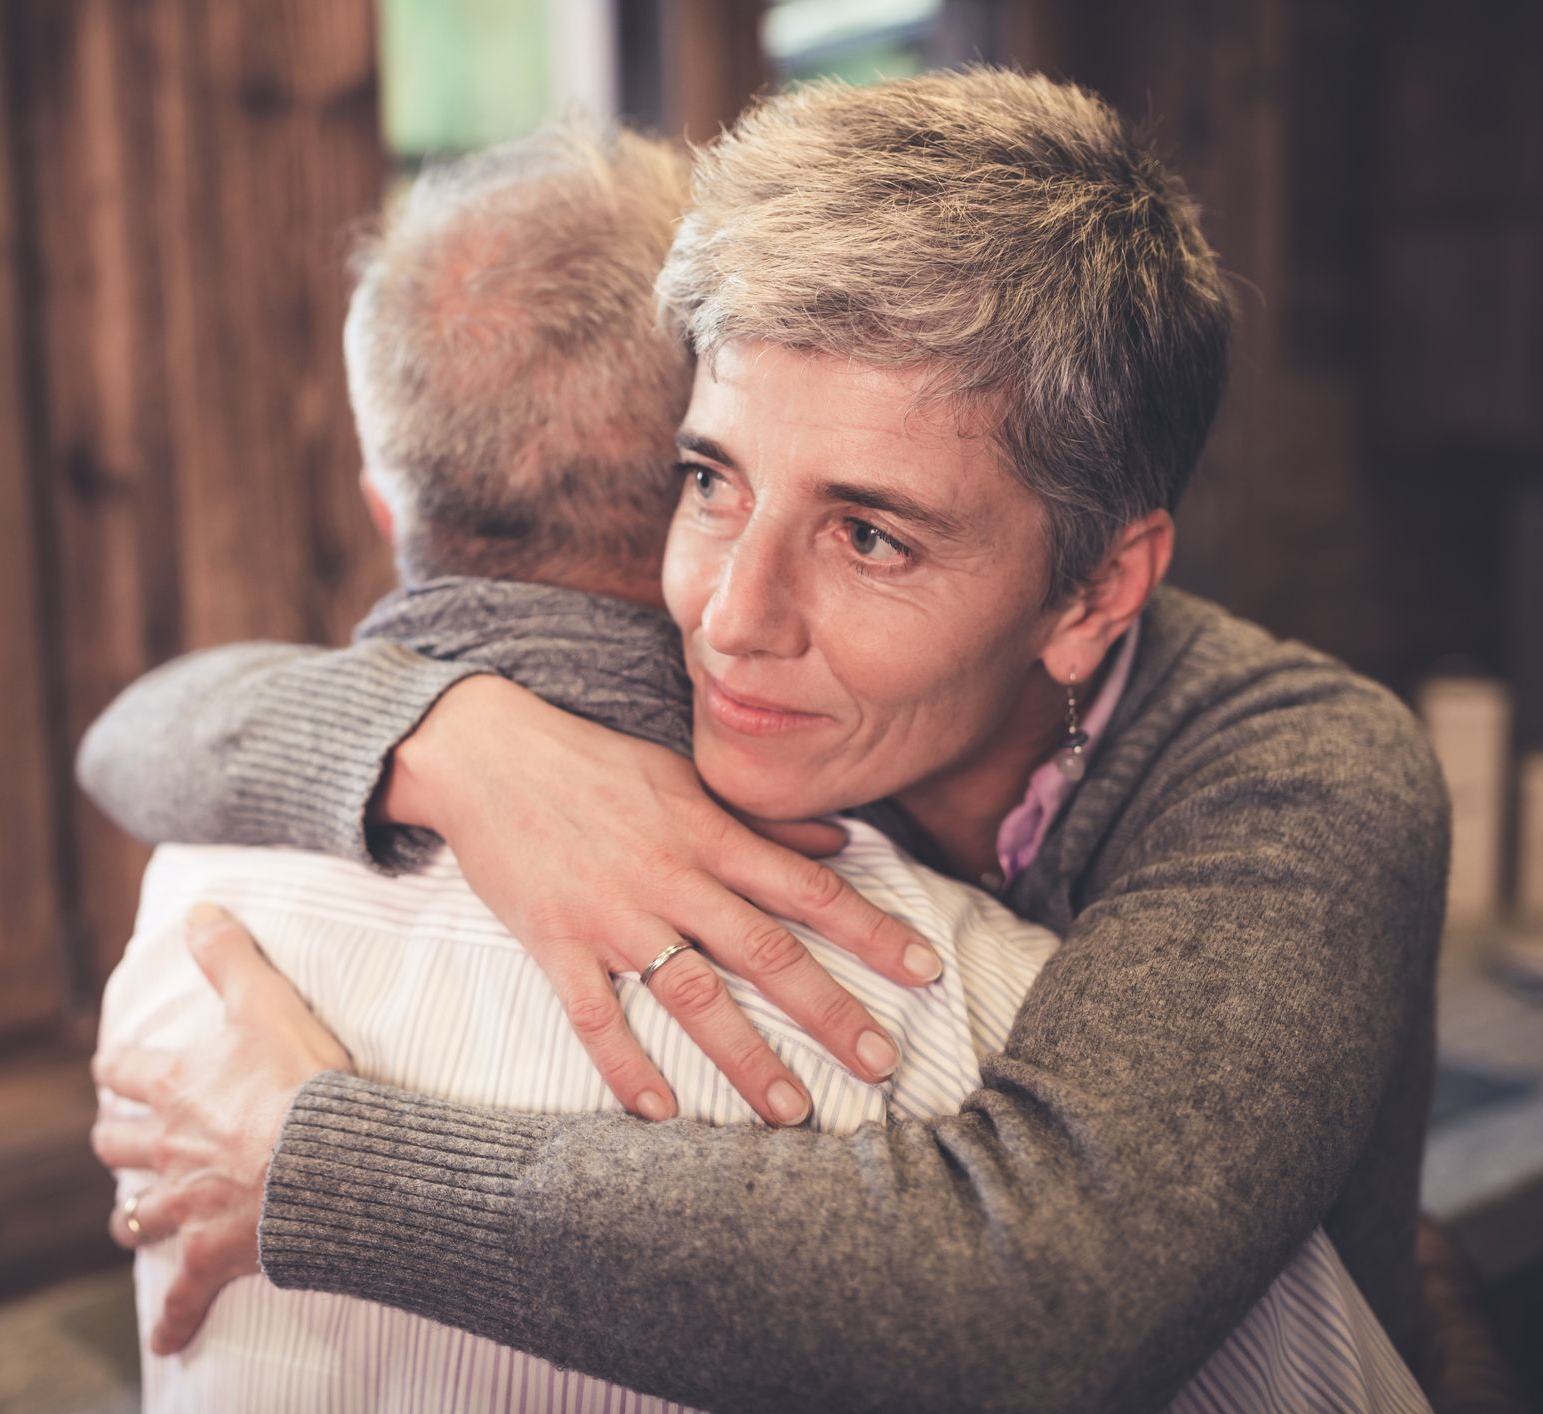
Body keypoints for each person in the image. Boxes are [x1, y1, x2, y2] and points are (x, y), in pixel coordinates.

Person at [86, 70, 1451, 1413]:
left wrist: (322, 1166)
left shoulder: (1301, 774)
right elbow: (138, 735)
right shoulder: (764, 693)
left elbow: (1032, 1301)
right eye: (709, 479)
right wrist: (447, 738)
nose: (729, 618)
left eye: (870, 536)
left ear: (1095, 591)